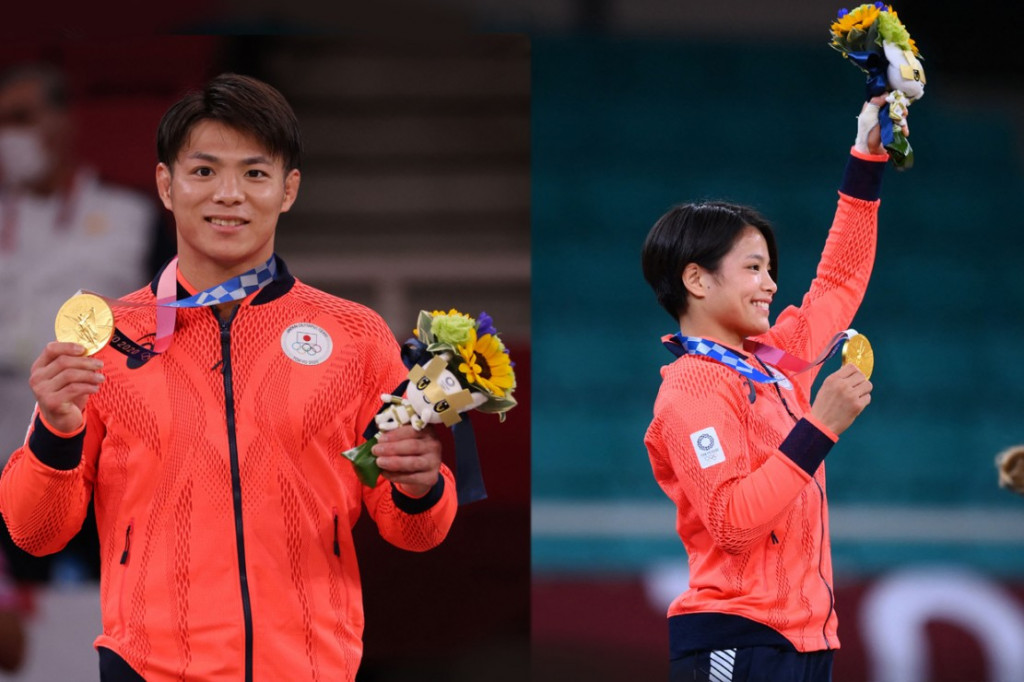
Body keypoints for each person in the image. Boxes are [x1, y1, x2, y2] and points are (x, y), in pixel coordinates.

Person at [0, 73, 456, 682]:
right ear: (166, 185)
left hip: (310, 669)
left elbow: (415, 532)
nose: (229, 194)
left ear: (289, 190)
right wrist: (55, 434)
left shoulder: (355, 337)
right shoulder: (105, 339)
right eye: (204, 171)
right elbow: (34, 532)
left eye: (255, 173)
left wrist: (420, 486)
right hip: (148, 669)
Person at [642, 95, 900, 681]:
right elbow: (732, 521)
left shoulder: (777, 360)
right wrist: (821, 424)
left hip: (807, 638)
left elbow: (839, 279)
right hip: (737, 639)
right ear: (696, 279)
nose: (771, 284)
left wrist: (867, 155)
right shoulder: (692, 386)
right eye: (753, 268)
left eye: (769, 268)